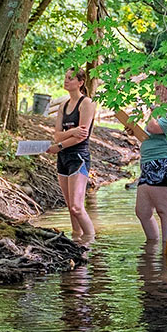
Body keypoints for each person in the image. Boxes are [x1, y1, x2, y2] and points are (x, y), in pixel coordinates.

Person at [114, 77, 167, 243]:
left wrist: (154, 110)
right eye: (155, 89)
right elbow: (148, 135)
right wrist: (134, 131)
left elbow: (154, 128)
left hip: (164, 162)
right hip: (148, 163)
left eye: (159, 88)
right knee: (142, 211)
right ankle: (152, 245)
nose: (155, 93)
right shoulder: (159, 112)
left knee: (164, 210)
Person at [52, 67, 97, 247]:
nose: (66, 81)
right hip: (62, 158)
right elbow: (56, 134)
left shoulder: (86, 103)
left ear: (80, 82)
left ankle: (90, 242)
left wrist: (62, 142)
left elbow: (82, 135)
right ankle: (76, 241)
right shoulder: (63, 105)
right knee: (70, 206)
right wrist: (69, 134)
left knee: (77, 207)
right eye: (65, 77)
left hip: (79, 157)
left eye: (71, 78)